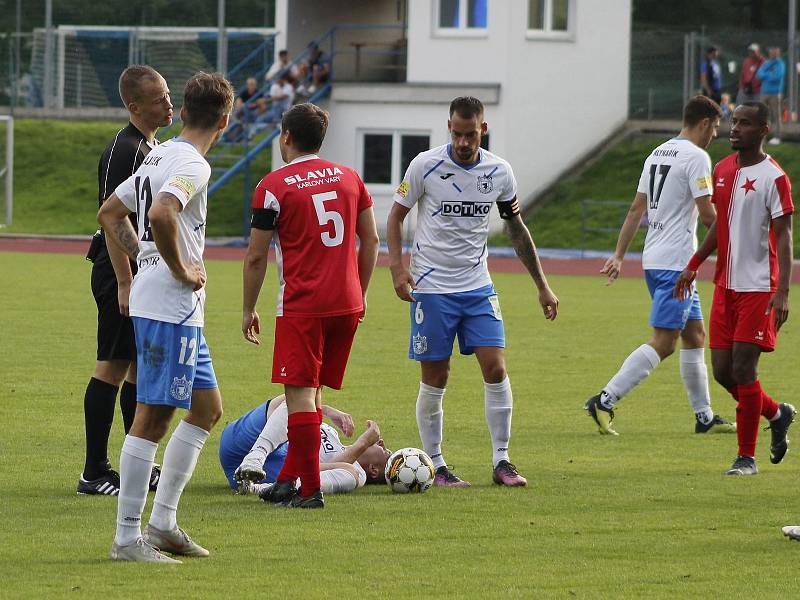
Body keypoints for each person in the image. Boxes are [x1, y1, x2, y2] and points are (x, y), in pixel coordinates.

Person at [386, 96, 559, 488]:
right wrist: (397, 268)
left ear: (484, 129)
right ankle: (436, 464)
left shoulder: (500, 172)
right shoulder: (425, 165)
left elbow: (516, 228)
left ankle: (503, 461)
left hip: (478, 287)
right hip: (431, 289)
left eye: (471, 134)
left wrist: (543, 285)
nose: (463, 142)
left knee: (496, 367)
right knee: (436, 376)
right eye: (457, 133)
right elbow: (396, 216)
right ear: (449, 128)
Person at [98, 71, 235, 563]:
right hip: (171, 307)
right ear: (226, 119)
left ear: (184, 111)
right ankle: (126, 538)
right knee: (153, 419)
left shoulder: (160, 153)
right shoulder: (191, 164)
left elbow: (111, 213)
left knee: (207, 408)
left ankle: (163, 523)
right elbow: (160, 213)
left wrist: (146, 260)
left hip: (173, 307)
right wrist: (178, 268)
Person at [242, 103, 380, 509]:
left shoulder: (273, 187)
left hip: (303, 303)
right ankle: (287, 480)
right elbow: (370, 241)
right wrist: (363, 292)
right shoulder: (351, 178)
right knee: (313, 391)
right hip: (347, 302)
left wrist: (248, 308)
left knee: (299, 394)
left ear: (286, 136)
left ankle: (308, 489)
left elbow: (254, 256)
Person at [584, 96, 735, 436]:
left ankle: (704, 417)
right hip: (676, 265)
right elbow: (709, 214)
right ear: (703, 123)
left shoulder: (658, 153)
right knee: (665, 342)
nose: (715, 135)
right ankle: (604, 399)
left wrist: (620, 255)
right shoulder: (698, 157)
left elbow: (636, 210)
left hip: (656, 259)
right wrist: (735, 239)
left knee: (695, 336)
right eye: (715, 128)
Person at [674, 102, 795, 477]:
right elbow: (718, 227)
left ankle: (746, 457)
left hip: (759, 288)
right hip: (725, 286)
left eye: (744, 123)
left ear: (762, 130)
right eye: (733, 122)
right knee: (723, 372)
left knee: (744, 368)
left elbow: (785, 236)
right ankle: (777, 413)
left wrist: (784, 291)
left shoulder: (775, 177)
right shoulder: (723, 169)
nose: (734, 128)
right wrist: (694, 265)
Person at [80, 65, 172, 496]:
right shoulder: (126, 150)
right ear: (134, 107)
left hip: (141, 270)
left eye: (168, 95)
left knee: (139, 369)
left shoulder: (153, 146)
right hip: (119, 270)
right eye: (158, 99)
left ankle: (138, 465)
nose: (168, 104)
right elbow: (113, 218)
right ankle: (94, 472)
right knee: (113, 365)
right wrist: (125, 279)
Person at [220, 395, 390, 496]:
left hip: (269, 472)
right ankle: (256, 456)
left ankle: (258, 488)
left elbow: (312, 470)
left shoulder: (358, 473)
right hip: (242, 445)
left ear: (374, 469)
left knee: (350, 475)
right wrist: (326, 410)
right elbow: (298, 407)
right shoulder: (332, 433)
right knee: (294, 396)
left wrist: (363, 443)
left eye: (385, 451)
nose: (381, 443)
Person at [757, 47, 786, 145]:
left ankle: (777, 137)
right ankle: (762, 138)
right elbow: (759, 75)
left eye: (774, 52)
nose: (772, 54)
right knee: (763, 115)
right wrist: (769, 74)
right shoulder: (766, 63)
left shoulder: (780, 64)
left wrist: (766, 75)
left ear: (778, 53)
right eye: (771, 52)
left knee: (776, 115)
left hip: (775, 93)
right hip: (764, 92)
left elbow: (777, 76)